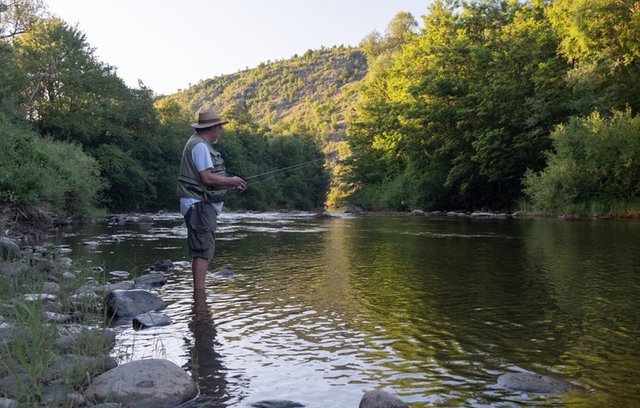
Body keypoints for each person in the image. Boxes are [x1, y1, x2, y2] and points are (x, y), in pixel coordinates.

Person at [177, 109, 247, 291]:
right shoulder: (199, 146)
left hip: (200, 205)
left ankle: (199, 296)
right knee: (202, 252)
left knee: (203, 250)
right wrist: (232, 180)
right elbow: (206, 178)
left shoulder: (198, 144)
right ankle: (199, 297)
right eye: (219, 128)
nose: (220, 132)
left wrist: (231, 184)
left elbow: (210, 180)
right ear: (213, 128)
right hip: (199, 206)